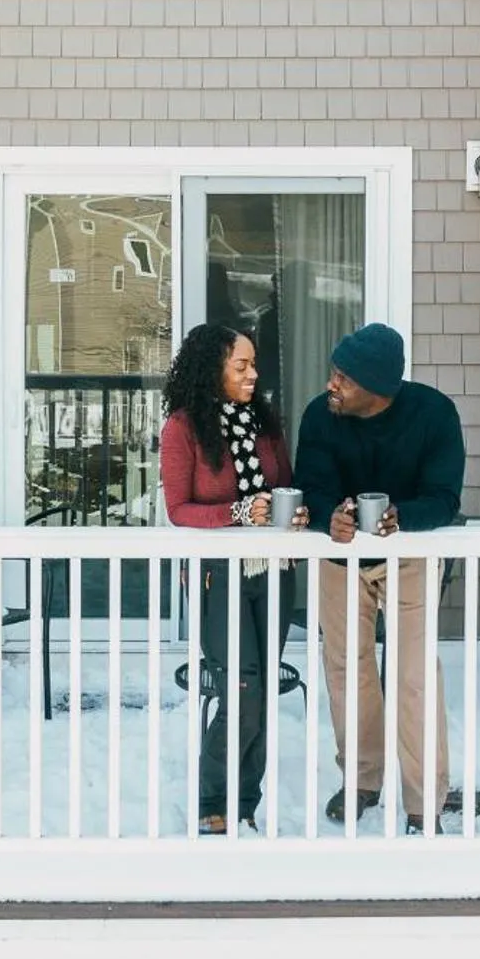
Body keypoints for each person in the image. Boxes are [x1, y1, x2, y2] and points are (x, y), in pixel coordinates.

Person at [290, 322, 472, 834]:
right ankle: (362, 780)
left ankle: (424, 802)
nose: (332, 384)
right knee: (347, 669)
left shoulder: (434, 415)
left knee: (414, 677)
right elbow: (311, 484)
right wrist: (331, 517)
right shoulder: (319, 416)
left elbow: (444, 496)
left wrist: (402, 517)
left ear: (378, 388)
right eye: (334, 372)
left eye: (344, 378)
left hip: (409, 556)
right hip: (339, 557)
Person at [159, 322, 295, 835]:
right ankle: (213, 798)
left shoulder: (264, 422)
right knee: (242, 687)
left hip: (274, 572)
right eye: (241, 366)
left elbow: (285, 484)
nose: (252, 375)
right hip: (219, 577)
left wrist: (292, 514)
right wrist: (240, 512)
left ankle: (245, 800)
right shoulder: (183, 428)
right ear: (211, 369)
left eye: (253, 365)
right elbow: (179, 510)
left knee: (258, 695)